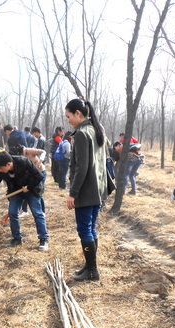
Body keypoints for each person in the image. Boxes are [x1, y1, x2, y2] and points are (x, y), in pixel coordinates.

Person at [65, 98, 108, 282]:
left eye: (68, 116)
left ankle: (92, 270)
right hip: (98, 189)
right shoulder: (96, 129)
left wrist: (73, 193)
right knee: (91, 228)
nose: (68, 120)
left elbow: (82, 167)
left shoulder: (82, 134)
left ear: (78, 113)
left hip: (86, 190)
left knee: (84, 230)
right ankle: (90, 266)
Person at [0, 151, 49, 250]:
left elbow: (39, 176)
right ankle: (17, 238)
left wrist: (29, 187)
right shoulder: (1, 170)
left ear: (8, 164)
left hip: (32, 189)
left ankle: (43, 239)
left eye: (1, 168)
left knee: (37, 213)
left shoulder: (24, 162)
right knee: (12, 212)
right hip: (15, 191)